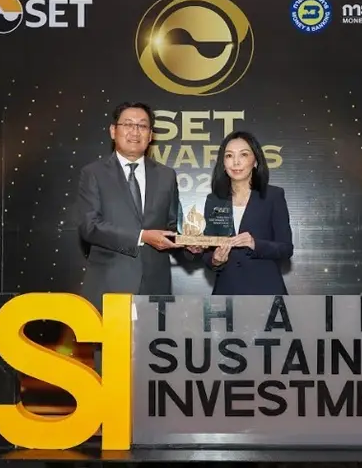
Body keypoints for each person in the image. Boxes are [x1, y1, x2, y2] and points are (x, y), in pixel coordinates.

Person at [75, 101, 184, 373]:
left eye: (142, 126)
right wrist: (141, 236)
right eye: (128, 124)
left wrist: (188, 245)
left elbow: (172, 226)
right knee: (110, 371)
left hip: (154, 288)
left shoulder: (166, 176)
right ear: (113, 131)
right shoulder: (93, 173)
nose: (135, 131)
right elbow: (89, 227)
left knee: (153, 371)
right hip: (110, 286)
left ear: (151, 135)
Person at [201, 131, 294, 295]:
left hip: (265, 291)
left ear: (255, 160)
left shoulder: (273, 196)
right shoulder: (214, 200)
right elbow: (208, 249)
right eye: (229, 156)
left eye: (243, 155)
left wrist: (254, 244)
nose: (236, 162)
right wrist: (215, 259)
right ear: (223, 163)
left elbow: (286, 248)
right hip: (226, 291)